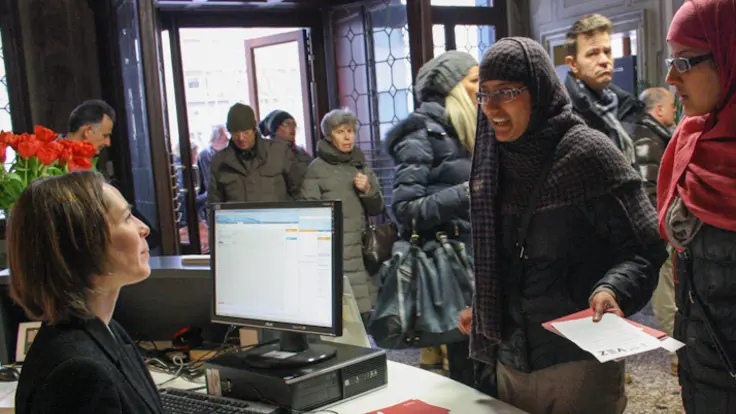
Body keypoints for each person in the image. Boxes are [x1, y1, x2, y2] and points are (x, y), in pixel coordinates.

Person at [460, 37, 666, 414]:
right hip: (509, 357)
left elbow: (644, 248)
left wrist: (613, 289)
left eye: (506, 92)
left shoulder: (588, 154)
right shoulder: (491, 161)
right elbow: (506, 257)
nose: (491, 107)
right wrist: (488, 301)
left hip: (577, 360)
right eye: (483, 94)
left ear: (538, 91)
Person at [9, 171, 164, 413]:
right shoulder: (80, 372)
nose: (143, 228)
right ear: (85, 244)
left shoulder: (108, 330)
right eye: (126, 218)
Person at [658, 0, 736, 411]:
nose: (671, 78)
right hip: (701, 366)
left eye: (685, 63)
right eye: (671, 63)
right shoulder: (691, 141)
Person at [386, 50, 479, 386]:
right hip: (455, 271)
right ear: (452, 88)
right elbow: (405, 210)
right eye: (474, 81)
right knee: (468, 373)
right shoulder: (421, 134)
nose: (481, 89)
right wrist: (468, 193)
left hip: (481, 265)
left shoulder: (465, 130)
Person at [300, 108, 384, 319]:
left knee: (364, 319)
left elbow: (378, 207)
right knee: (343, 319)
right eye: (340, 131)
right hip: (334, 256)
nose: (347, 137)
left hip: (363, 254)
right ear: (329, 136)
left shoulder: (361, 165)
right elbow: (307, 215)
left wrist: (368, 190)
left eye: (350, 131)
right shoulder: (316, 170)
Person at [633, 87, 678, 375]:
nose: (675, 110)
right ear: (658, 110)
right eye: (672, 106)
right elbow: (649, 193)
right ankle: (679, 353)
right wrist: (665, 228)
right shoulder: (648, 140)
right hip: (661, 228)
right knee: (666, 292)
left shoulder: (653, 136)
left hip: (666, 226)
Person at [563, 14, 645, 164]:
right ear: (573, 64)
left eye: (607, 52)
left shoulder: (624, 105)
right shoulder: (564, 114)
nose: (604, 61)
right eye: (592, 53)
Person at [209, 103, 305, 204]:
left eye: (246, 132)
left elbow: (299, 192)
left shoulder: (279, 152)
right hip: (237, 219)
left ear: (254, 129)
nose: (241, 138)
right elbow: (214, 204)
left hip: (277, 218)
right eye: (236, 132)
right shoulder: (219, 162)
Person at [196, 125, 228, 219]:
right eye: (224, 137)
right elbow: (208, 183)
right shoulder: (205, 155)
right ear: (216, 139)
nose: (227, 139)